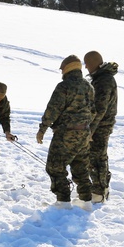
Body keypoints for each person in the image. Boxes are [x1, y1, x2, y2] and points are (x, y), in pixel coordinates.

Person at [36, 55, 95, 208]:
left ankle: (63, 201)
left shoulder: (64, 86)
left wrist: (42, 129)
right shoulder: (88, 86)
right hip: (84, 134)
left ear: (66, 69)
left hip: (66, 134)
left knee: (55, 166)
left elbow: (52, 110)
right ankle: (86, 200)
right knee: (80, 166)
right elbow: (94, 111)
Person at [84, 50, 118, 203]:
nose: (86, 68)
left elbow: (100, 109)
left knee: (96, 158)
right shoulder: (102, 78)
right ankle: (102, 189)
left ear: (93, 64)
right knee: (100, 157)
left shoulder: (103, 80)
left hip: (100, 126)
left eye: (87, 64)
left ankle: (98, 193)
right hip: (101, 125)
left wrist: (91, 130)